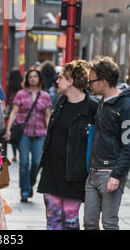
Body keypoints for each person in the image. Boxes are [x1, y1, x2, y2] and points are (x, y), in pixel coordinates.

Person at [37, 60, 98, 230]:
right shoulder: (60, 103)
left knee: (70, 222)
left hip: (74, 176)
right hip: (52, 173)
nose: (57, 81)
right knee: (52, 221)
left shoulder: (92, 108)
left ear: (71, 81)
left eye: (61, 77)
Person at [84, 56, 130, 230]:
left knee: (109, 223)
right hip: (93, 172)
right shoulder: (102, 102)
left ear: (103, 81)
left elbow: (128, 145)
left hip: (110, 172)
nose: (89, 84)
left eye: (92, 81)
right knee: (89, 222)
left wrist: (117, 175)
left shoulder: (125, 105)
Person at [5, 68, 52, 202]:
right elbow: (14, 112)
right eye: (30, 77)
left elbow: (47, 115)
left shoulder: (45, 96)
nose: (33, 79)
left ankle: (30, 184)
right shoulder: (20, 94)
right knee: (24, 162)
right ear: (27, 79)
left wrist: (49, 133)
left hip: (40, 132)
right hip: (24, 133)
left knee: (37, 163)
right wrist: (8, 129)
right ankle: (24, 190)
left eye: (35, 77)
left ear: (39, 79)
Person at [6, 68, 24, 161]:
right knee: (19, 133)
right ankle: (20, 152)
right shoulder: (22, 86)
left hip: (12, 110)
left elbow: (9, 99)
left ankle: (14, 155)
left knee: (13, 133)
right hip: (20, 112)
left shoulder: (9, 86)